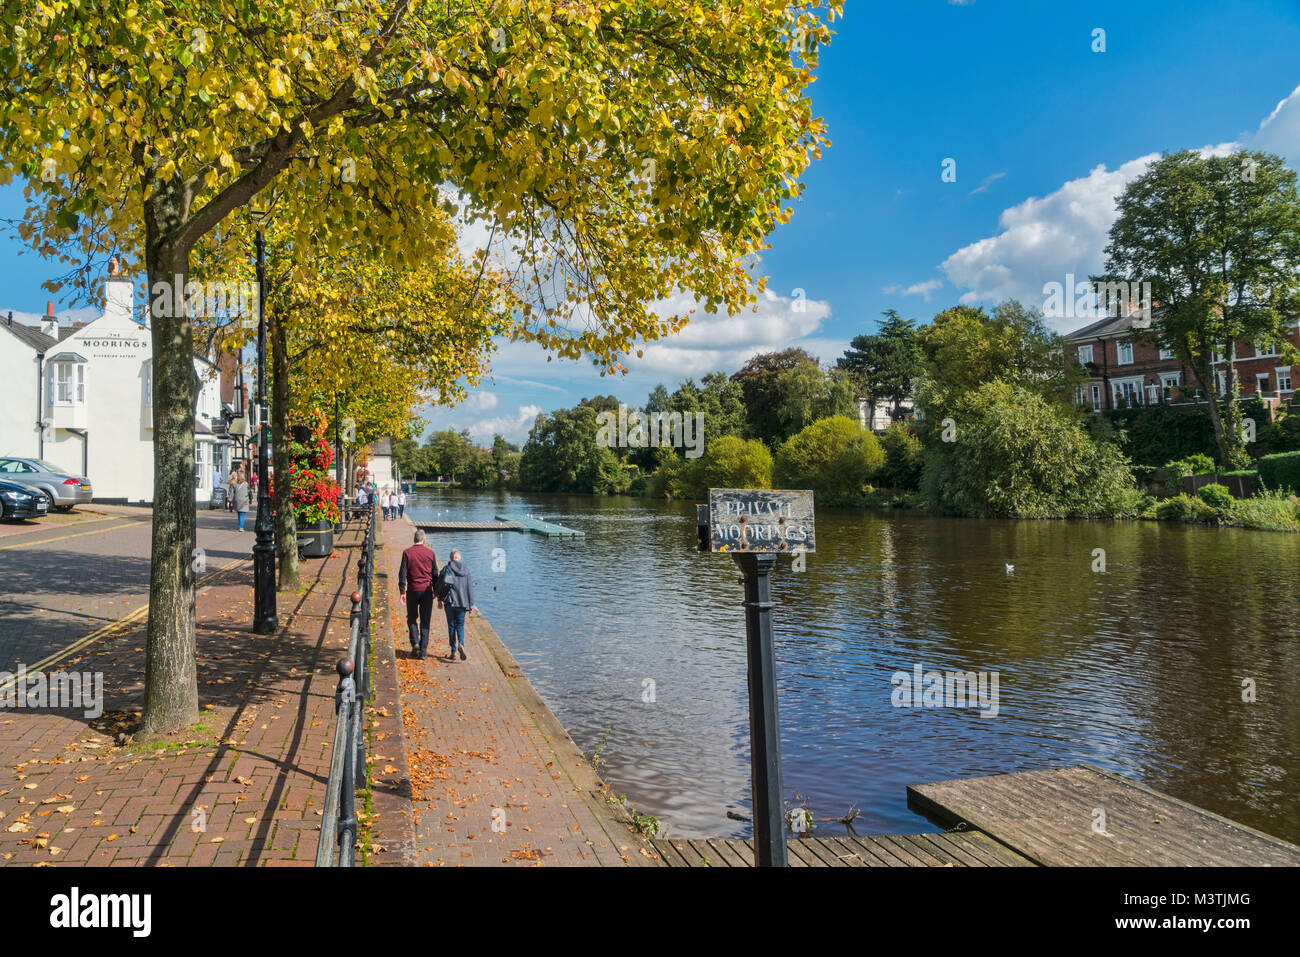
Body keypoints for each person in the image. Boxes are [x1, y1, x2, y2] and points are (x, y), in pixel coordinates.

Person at [398, 529, 439, 660]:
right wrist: (436, 592)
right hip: (427, 591)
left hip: (412, 590)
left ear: (413, 539)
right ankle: (423, 652)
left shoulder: (407, 553)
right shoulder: (430, 554)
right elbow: (435, 575)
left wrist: (402, 591)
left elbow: (402, 573)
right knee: (425, 621)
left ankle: (415, 641)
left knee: (411, 617)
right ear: (424, 540)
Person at [436, 548, 475, 662]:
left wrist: (439, 599)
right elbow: (470, 589)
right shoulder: (466, 570)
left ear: (451, 558)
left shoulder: (446, 569)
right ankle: (461, 644)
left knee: (452, 626)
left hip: (450, 602)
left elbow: (439, 585)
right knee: (460, 626)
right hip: (463, 603)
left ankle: (453, 651)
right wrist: (471, 604)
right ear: (459, 558)